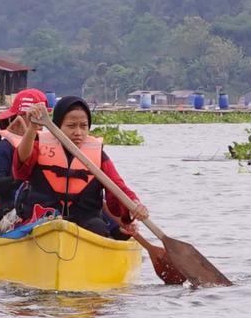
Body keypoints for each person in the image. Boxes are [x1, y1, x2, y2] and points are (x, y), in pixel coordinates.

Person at [12, 96, 149, 237]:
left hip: (85, 219)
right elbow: (21, 163)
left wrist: (135, 204)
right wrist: (32, 128)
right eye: (71, 126)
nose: (78, 132)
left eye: (83, 126)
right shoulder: (37, 145)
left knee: (98, 227)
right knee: (45, 226)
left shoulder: (98, 155)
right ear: (57, 126)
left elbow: (118, 186)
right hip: (42, 217)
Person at [0, 88, 46, 229]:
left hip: (37, 209)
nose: (39, 123)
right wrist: (21, 177)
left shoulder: (44, 145)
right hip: (9, 213)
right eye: (32, 116)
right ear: (20, 117)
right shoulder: (4, 147)